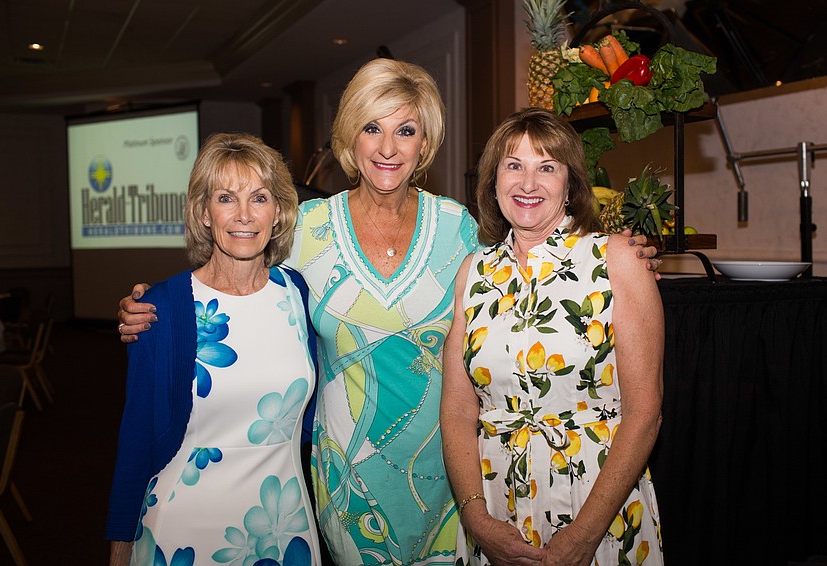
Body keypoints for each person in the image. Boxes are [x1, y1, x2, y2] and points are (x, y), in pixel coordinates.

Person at [116, 59, 661, 565]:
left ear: (424, 143)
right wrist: (155, 308)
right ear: (351, 136)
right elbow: (235, 278)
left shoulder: (461, 231)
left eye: (406, 130)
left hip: (459, 483)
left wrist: (624, 257)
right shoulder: (306, 229)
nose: (388, 147)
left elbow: (533, 271)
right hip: (350, 486)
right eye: (373, 127)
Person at [441, 107, 664, 566]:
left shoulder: (616, 261)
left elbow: (646, 412)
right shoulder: (473, 274)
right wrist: (477, 520)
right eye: (513, 165)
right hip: (497, 505)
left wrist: (584, 535)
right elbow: (459, 409)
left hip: (600, 508)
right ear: (493, 181)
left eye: (547, 167)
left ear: (570, 185)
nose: (528, 183)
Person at [106, 133, 321, 565]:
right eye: (226, 198)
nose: (244, 214)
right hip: (184, 530)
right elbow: (136, 439)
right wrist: (119, 551)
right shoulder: (162, 308)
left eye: (259, 198)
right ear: (204, 213)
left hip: (284, 526)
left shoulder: (297, 293)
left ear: (278, 212)